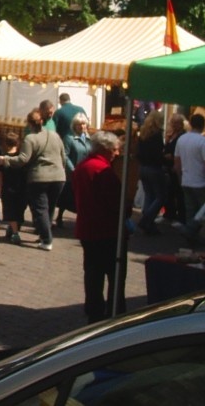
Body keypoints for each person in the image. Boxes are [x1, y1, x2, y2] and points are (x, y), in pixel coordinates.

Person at [72, 131, 128, 322]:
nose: (117, 153)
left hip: (87, 229)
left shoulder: (82, 167)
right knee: (115, 274)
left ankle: (94, 310)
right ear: (105, 150)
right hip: (107, 230)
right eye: (114, 149)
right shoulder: (103, 171)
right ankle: (114, 310)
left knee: (93, 274)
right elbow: (116, 204)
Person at [0, 108, 66, 251]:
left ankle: (47, 240)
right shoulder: (55, 136)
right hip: (59, 177)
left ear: (29, 124)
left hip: (39, 177)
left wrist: (6, 159)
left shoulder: (30, 138)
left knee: (40, 209)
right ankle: (44, 235)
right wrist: (61, 170)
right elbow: (63, 157)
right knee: (50, 208)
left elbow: (23, 159)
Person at [173, 112, 205, 246]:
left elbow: (177, 161)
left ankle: (191, 236)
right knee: (204, 212)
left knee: (190, 210)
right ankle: (189, 231)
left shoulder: (182, 139)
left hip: (187, 179)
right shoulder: (203, 141)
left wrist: (179, 176)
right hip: (201, 181)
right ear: (203, 126)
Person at [136, 110, 169, 236]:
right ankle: (147, 219)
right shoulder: (157, 135)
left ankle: (148, 221)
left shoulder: (143, 133)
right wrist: (165, 158)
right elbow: (157, 155)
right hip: (154, 168)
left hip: (143, 168)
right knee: (160, 197)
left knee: (149, 195)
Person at [0, 131, 28, 243]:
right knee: (19, 210)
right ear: (18, 143)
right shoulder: (22, 158)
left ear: (5, 143)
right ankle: (13, 229)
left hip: (8, 187)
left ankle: (15, 232)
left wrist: (0, 189)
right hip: (22, 187)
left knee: (10, 211)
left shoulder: (2, 158)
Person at [162, 111, 188, 226]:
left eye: (174, 123)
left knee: (179, 192)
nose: (172, 125)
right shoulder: (172, 135)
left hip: (176, 167)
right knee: (169, 192)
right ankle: (169, 214)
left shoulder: (182, 136)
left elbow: (178, 152)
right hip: (168, 167)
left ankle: (182, 218)